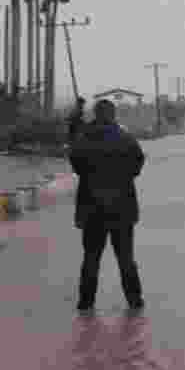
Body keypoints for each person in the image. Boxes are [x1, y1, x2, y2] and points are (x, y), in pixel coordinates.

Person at [68, 99, 146, 315]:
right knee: (126, 258)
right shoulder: (126, 138)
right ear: (113, 114)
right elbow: (138, 164)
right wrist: (122, 176)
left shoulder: (84, 139)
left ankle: (85, 303)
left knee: (91, 258)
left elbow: (76, 165)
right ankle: (134, 301)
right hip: (122, 209)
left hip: (92, 210)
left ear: (95, 114)